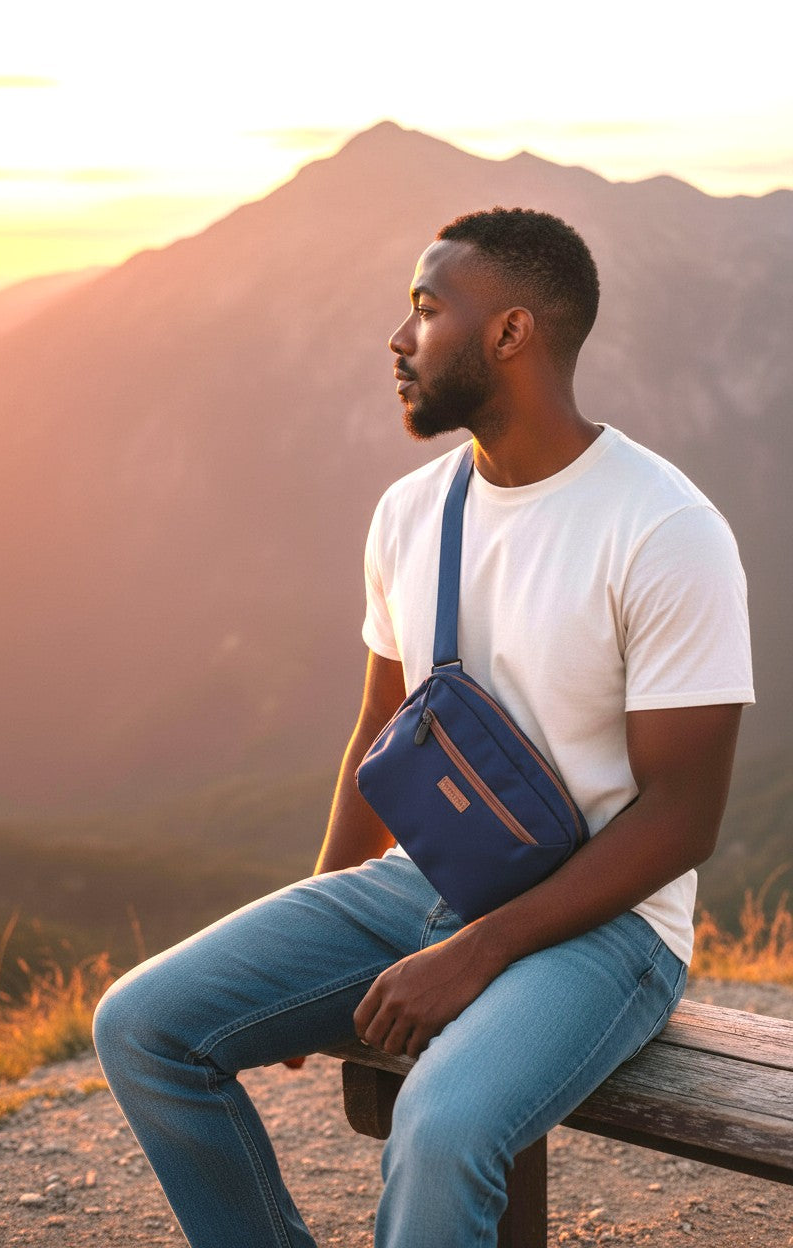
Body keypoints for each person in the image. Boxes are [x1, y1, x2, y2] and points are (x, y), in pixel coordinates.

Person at [93, 207, 754, 1248]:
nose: (398, 341)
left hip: (610, 926)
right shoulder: (412, 512)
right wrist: (305, 946)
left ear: (509, 334)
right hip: (432, 883)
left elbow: (680, 818)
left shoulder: (664, 530)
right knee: (142, 1027)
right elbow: (379, 730)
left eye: (424, 309)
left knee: (440, 1128)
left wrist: (474, 954)